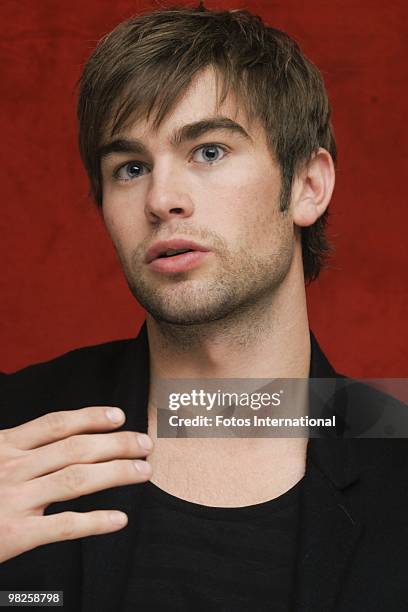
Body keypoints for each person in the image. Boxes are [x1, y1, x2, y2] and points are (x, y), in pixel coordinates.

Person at [0, 5, 407, 611]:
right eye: (130, 168)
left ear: (307, 186)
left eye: (209, 151)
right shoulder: (11, 426)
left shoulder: (397, 468)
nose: (162, 199)